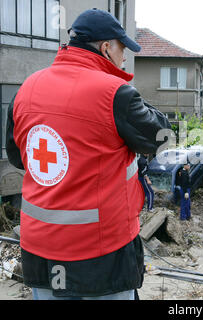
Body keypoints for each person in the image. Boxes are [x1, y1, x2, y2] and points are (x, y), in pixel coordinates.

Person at [5, 9, 171, 300]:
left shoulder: (26, 89)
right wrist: (121, 86)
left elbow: (20, 158)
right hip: (101, 253)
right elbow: (161, 138)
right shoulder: (116, 94)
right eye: (122, 50)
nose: (124, 58)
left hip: (40, 251)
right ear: (106, 47)